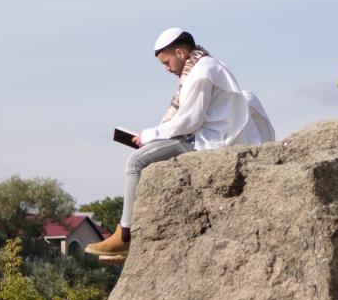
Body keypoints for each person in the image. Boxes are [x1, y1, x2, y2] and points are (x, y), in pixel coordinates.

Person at [86, 28, 274, 259]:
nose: (167, 69)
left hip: (205, 141)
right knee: (149, 157)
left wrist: (149, 135)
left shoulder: (201, 73)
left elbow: (189, 121)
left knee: (136, 161)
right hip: (207, 138)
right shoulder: (208, 66)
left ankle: (125, 234)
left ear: (180, 53)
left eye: (166, 62)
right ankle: (137, 240)